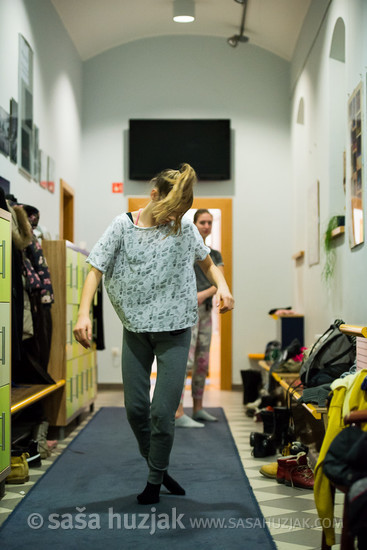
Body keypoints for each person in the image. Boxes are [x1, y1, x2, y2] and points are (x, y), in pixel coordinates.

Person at [73, 164, 234, 505]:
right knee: (134, 409)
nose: (173, 218)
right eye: (170, 210)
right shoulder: (123, 225)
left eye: (181, 213)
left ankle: (153, 478)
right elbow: (95, 268)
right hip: (136, 329)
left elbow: (207, 263)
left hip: (175, 329)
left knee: (162, 412)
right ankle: (157, 464)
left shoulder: (184, 227)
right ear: (154, 195)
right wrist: (83, 312)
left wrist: (223, 286)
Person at [175, 209, 224, 428]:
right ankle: (178, 411)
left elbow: (219, 282)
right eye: (202, 222)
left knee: (202, 362)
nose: (206, 225)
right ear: (195, 224)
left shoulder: (215, 255)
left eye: (209, 222)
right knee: (186, 361)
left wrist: (201, 295)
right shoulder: (185, 248)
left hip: (204, 311)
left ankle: (198, 408)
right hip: (185, 313)